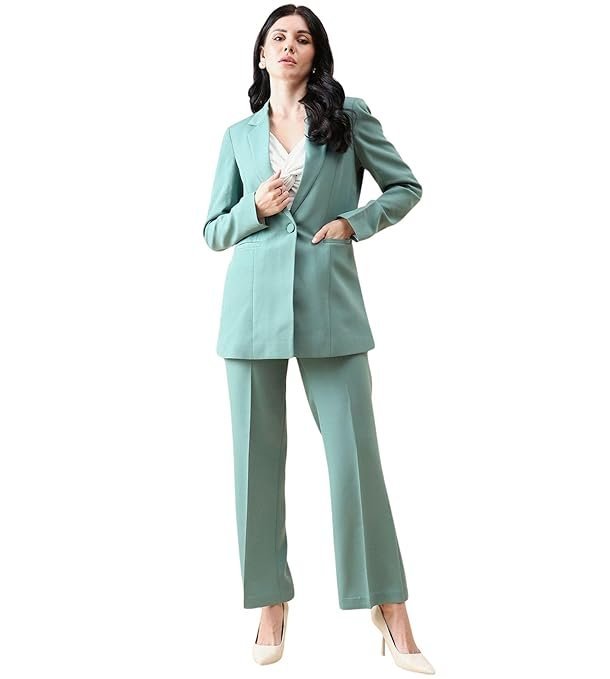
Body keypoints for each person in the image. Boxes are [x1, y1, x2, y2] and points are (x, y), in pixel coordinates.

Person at [202, 5, 434, 674]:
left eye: (302, 39)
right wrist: (254, 208)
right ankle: (269, 602)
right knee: (255, 461)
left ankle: (389, 605)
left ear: (315, 54)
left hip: (329, 302)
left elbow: (405, 186)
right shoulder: (238, 135)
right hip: (251, 310)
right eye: (278, 37)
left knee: (355, 457)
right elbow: (213, 230)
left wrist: (354, 223)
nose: (289, 46)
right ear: (261, 53)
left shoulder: (347, 116)